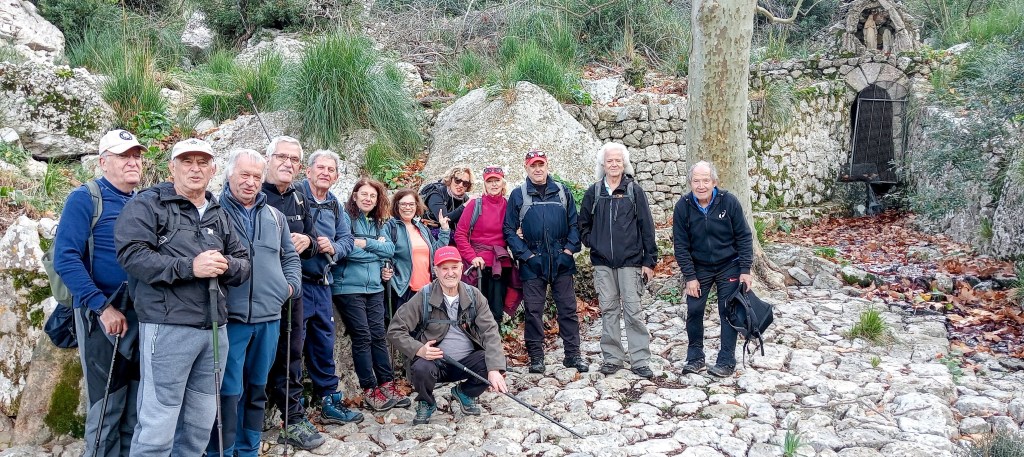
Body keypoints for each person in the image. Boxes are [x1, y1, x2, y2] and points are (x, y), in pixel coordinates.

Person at [115, 138, 251, 457]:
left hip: (216, 331)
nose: (195, 168)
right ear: (171, 167)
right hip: (167, 328)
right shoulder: (148, 204)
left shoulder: (219, 212)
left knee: (200, 424)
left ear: (213, 169)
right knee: (158, 423)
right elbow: (131, 255)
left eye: (202, 162)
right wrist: (190, 267)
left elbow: (244, 262)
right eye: (186, 161)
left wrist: (226, 265)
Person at [54, 129, 143, 457]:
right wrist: (102, 307)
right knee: (107, 404)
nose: (133, 162)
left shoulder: (141, 200)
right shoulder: (85, 198)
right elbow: (65, 257)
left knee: (134, 404)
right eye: (124, 156)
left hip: (138, 314)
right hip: (100, 316)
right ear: (104, 162)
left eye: (136, 156)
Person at [208, 149, 301, 457]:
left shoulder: (274, 216)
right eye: (243, 175)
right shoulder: (214, 211)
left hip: (269, 316)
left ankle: (248, 448)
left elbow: (289, 256)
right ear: (229, 176)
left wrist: (289, 288)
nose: (250, 183)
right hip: (230, 318)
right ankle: (224, 448)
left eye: (256, 177)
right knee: (228, 390)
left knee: (258, 387)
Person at [386, 246, 508, 425]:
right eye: (444, 268)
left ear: (461, 268)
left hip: (467, 362)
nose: (450, 273)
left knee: (491, 361)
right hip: (434, 363)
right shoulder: (423, 296)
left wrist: (495, 370)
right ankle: (426, 402)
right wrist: (419, 350)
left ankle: (465, 392)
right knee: (420, 367)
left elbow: (490, 332)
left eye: (454, 267)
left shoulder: (474, 296)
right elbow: (395, 330)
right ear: (436, 271)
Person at [260, 136, 324, 449]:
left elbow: (313, 239)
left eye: (294, 159)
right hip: (256, 294)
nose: (288, 163)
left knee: (291, 354)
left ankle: (293, 418)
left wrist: (307, 243)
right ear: (267, 159)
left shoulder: (299, 196)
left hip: (293, 289)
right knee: (256, 356)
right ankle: (252, 415)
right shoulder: (254, 195)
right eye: (281, 157)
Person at [503, 149, 588, 374]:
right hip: (533, 261)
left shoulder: (562, 191)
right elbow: (509, 230)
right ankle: (536, 358)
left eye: (541, 164)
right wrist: (526, 256)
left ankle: (573, 355)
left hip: (561, 259)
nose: (538, 169)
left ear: (547, 165)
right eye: (533, 165)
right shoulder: (518, 195)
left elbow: (574, 224)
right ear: (526, 168)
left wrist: (569, 251)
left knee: (568, 309)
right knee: (533, 311)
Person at [579, 143, 658, 379]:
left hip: (631, 262)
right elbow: (583, 224)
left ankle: (640, 359)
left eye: (618, 161)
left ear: (624, 163)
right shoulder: (594, 192)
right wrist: (594, 241)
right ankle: (612, 358)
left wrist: (649, 261)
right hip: (603, 263)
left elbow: (647, 227)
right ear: (603, 165)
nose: (614, 165)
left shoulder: (634, 191)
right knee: (609, 309)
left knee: (633, 311)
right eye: (609, 161)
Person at [298, 150, 363, 426]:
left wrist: (333, 248)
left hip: (322, 283)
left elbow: (348, 239)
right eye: (320, 167)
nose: (325, 172)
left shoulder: (335, 204)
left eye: (331, 169)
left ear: (336, 176)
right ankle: (292, 410)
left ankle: (328, 402)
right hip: (296, 282)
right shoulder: (294, 196)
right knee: (291, 346)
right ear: (308, 171)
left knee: (323, 344)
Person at [672, 161, 753, 378]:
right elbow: (680, 245)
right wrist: (690, 276)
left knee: (727, 311)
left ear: (714, 182)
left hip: (729, 265)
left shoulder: (729, 202)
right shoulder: (683, 207)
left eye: (705, 180)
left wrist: (745, 269)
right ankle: (695, 357)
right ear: (690, 182)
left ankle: (726, 360)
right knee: (695, 309)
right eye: (696, 181)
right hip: (699, 268)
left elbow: (744, 236)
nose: (701, 185)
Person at [332, 178, 406, 411]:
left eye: (373, 196)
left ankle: (387, 383)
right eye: (363, 194)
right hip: (348, 288)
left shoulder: (378, 222)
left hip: (374, 287)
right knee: (362, 336)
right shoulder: (344, 218)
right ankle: (370, 388)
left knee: (378, 335)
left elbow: (390, 249)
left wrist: (365, 243)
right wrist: (375, 247)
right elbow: (346, 251)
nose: (368, 199)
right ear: (354, 196)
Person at [454, 166, 512, 324]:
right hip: (477, 266)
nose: (494, 184)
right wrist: (472, 257)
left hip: (499, 264)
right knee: (477, 312)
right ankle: (476, 347)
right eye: (490, 181)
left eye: (497, 181)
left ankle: (494, 346)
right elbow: (460, 234)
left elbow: (512, 231)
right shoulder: (475, 205)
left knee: (496, 312)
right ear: (485, 185)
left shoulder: (508, 205)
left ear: (502, 183)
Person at [384, 189, 450, 318]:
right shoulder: (390, 227)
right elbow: (383, 252)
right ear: (396, 206)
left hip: (426, 289)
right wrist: (386, 272)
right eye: (403, 204)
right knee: (404, 331)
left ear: (417, 206)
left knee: (424, 332)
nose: (407, 207)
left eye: (411, 204)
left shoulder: (422, 228)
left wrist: (444, 229)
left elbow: (437, 252)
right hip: (403, 290)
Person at [419, 166, 472, 237]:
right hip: (428, 233)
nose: (460, 185)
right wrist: (465, 206)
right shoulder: (436, 193)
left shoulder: (465, 199)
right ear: (450, 179)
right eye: (457, 180)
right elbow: (444, 220)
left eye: (465, 183)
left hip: (451, 233)